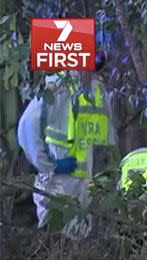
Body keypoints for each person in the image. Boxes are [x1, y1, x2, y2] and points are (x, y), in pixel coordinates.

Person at [17, 51, 117, 234]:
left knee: (79, 253)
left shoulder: (97, 88)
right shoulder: (57, 87)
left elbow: (108, 136)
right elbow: (26, 127)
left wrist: (107, 174)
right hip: (56, 188)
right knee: (53, 248)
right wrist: (50, 165)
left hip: (84, 190)